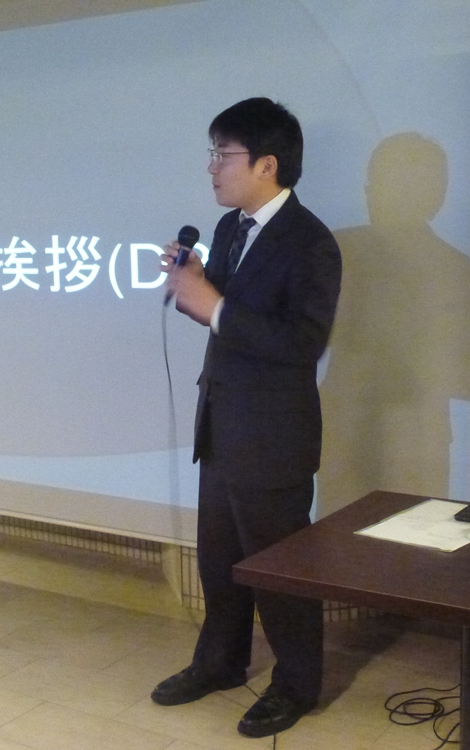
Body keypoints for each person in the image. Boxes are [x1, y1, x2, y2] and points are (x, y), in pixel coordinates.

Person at [153, 97, 342, 738]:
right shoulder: (231, 227)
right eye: (212, 153)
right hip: (221, 422)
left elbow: (301, 344)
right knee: (220, 561)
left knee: (281, 570)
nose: (212, 167)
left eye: (222, 154)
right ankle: (220, 663)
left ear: (267, 164)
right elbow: (227, 320)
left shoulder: (311, 242)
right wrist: (196, 286)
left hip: (274, 436)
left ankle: (296, 684)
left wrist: (213, 304)